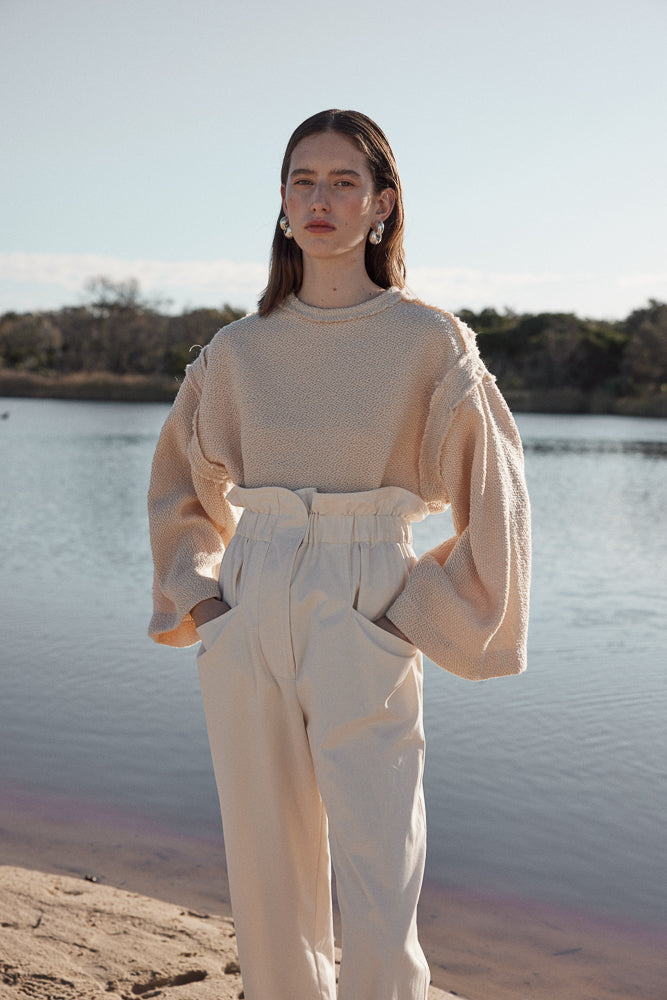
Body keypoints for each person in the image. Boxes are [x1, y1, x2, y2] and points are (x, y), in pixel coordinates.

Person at [147, 109, 531, 1000]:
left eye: (343, 182)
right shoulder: (236, 351)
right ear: (282, 203)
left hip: (368, 599)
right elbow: (178, 490)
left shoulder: (430, 341)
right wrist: (203, 601)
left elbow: (498, 503)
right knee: (266, 872)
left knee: (380, 872)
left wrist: (411, 617)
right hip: (249, 598)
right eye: (302, 181)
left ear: (382, 204)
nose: (319, 199)